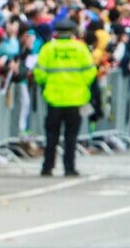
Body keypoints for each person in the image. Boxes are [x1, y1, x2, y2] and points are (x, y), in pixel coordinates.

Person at [34, 19, 96, 177]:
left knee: (51, 136)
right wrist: (80, 84)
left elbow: (39, 73)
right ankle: (69, 168)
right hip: (75, 99)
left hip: (54, 99)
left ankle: (47, 167)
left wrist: (48, 84)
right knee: (71, 137)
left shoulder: (48, 49)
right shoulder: (80, 49)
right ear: (72, 32)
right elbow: (91, 71)